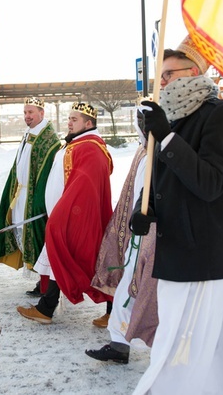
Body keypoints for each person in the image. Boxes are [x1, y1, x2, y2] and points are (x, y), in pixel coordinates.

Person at [130, 37, 223, 394]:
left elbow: (211, 183)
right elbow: (163, 180)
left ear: (195, 72)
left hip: (203, 252)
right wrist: (146, 211)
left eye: (169, 74)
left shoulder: (220, 115)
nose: (163, 82)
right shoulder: (170, 120)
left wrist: (167, 138)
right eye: (160, 76)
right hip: (177, 249)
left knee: (184, 342)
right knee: (207, 343)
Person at [17, 102, 114, 326]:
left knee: (91, 261)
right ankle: (46, 308)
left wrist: (64, 215)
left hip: (75, 217)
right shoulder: (77, 143)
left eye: (74, 120)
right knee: (58, 258)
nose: (69, 123)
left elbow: (84, 187)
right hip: (63, 214)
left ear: (88, 123)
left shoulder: (90, 148)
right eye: (69, 118)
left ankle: (114, 310)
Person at [87, 109, 157, 364]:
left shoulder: (155, 153)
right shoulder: (143, 150)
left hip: (147, 232)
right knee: (128, 285)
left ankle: (127, 342)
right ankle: (120, 343)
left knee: (134, 287)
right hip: (136, 228)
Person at [0, 97, 60, 295]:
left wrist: (39, 203)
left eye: (31, 112)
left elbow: (46, 176)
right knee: (26, 237)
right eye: (25, 112)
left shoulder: (48, 139)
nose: (27, 116)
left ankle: (46, 286)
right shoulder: (29, 133)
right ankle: (41, 283)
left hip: (35, 198)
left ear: (42, 113)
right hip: (22, 194)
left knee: (38, 239)